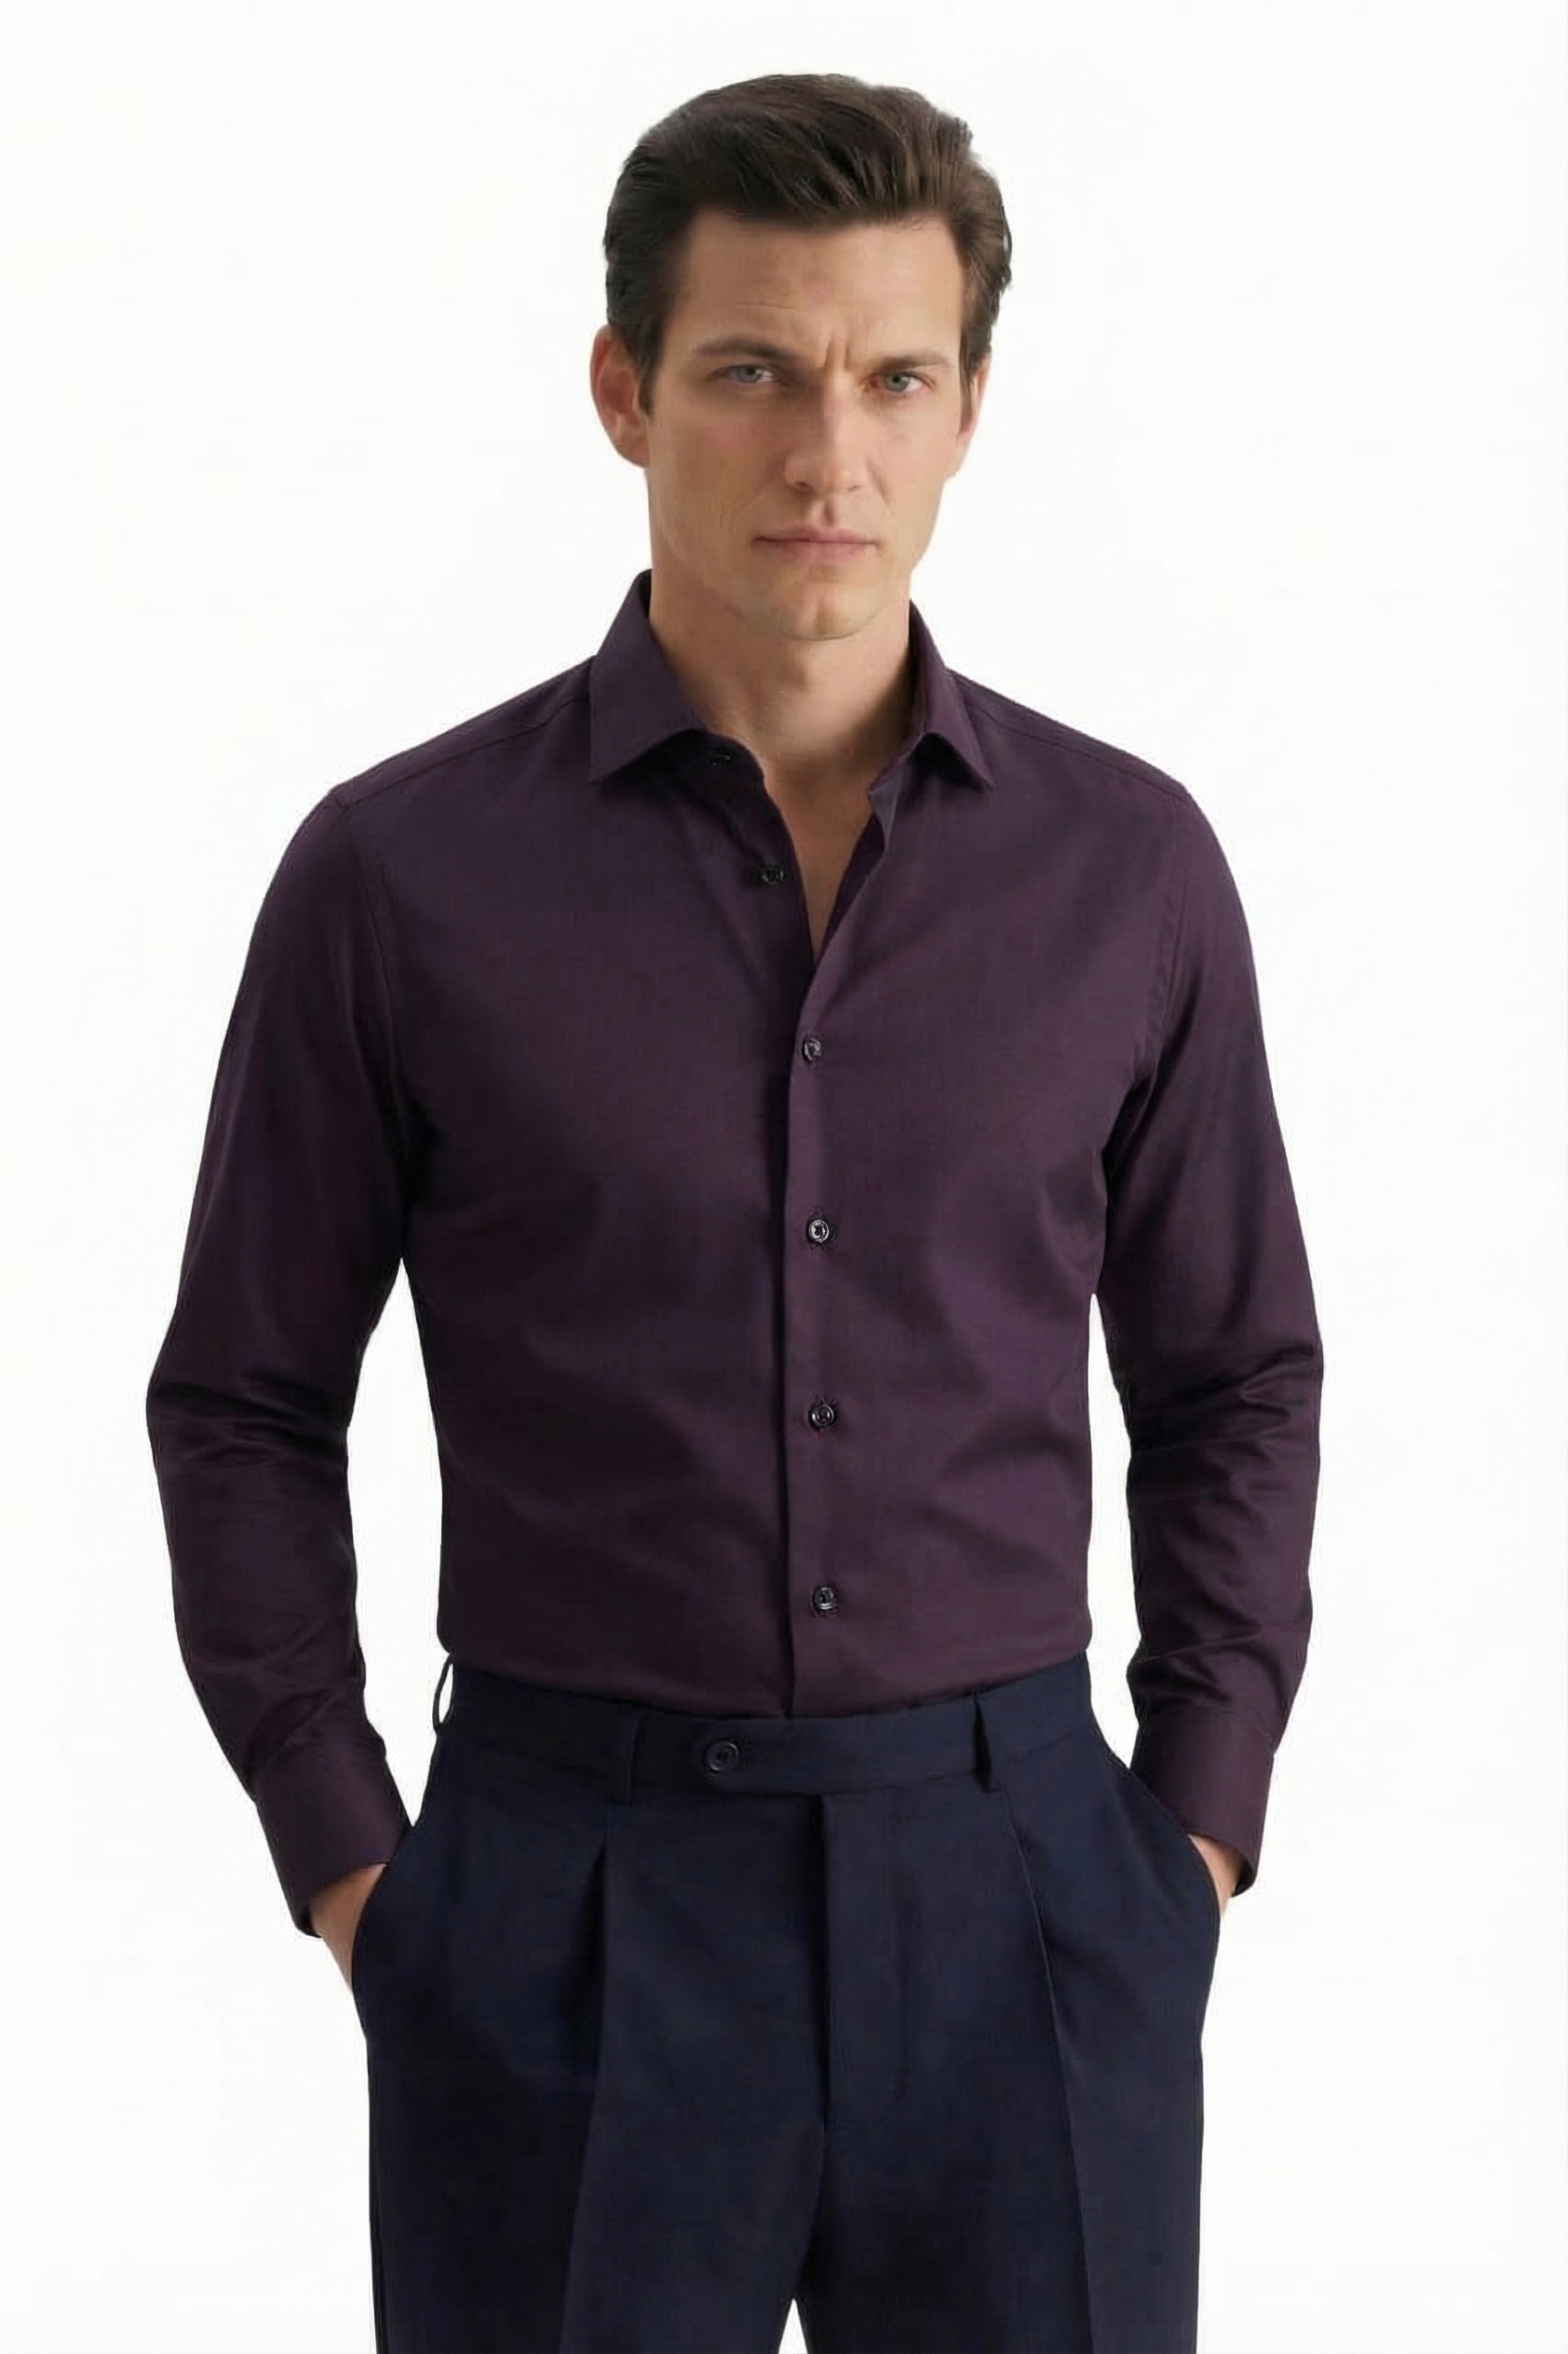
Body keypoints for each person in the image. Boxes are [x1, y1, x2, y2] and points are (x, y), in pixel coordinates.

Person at [145, 67, 1323, 2354]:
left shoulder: (1130, 871)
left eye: (894, 379)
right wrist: (358, 1866)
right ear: (623, 392)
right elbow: (243, 1400)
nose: (827, 456)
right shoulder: (398, 877)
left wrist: (1184, 1830)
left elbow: (1234, 1376)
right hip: (559, 1902)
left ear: (968, 408)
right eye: (753, 373)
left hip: (1020, 1898)